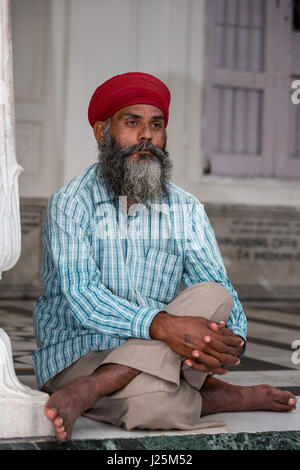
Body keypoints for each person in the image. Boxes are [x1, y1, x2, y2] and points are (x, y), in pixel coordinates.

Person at [33, 72, 297, 442]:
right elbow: (85, 299)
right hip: (81, 352)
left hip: (175, 351)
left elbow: (222, 293)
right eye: (132, 123)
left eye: (156, 125)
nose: (147, 136)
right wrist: (160, 325)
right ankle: (219, 398)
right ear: (101, 132)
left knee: (214, 297)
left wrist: (230, 342)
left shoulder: (186, 208)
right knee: (156, 408)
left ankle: (93, 390)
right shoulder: (71, 203)